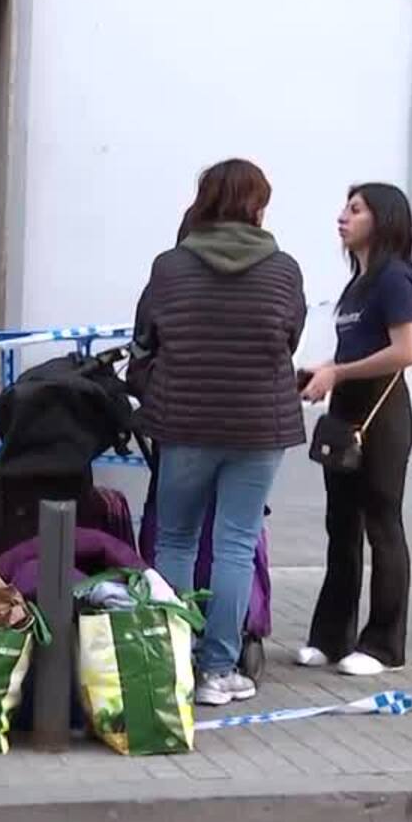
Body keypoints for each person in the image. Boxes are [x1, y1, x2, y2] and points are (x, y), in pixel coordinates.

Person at [130, 159, 306, 706]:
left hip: (183, 423)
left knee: (175, 540)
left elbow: (146, 337)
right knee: (236, 542)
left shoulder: (170, 267)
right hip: (259, 424)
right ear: (256, 207)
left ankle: (171, 662)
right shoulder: (283, 269)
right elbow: (290, 337)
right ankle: (217, 671)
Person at [297, 183, 412, 677]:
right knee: (340, 525)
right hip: (346, 410)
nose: (342, 218)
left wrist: (340, 373)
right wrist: (323, 370)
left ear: (383, 218)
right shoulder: (359, 283)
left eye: (355, 210)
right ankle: (331, 636)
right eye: (345, 209)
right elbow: (356, 350)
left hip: (382, 413)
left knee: (381, 524)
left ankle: (384, 644)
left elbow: (407, 351)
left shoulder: (395, 278)